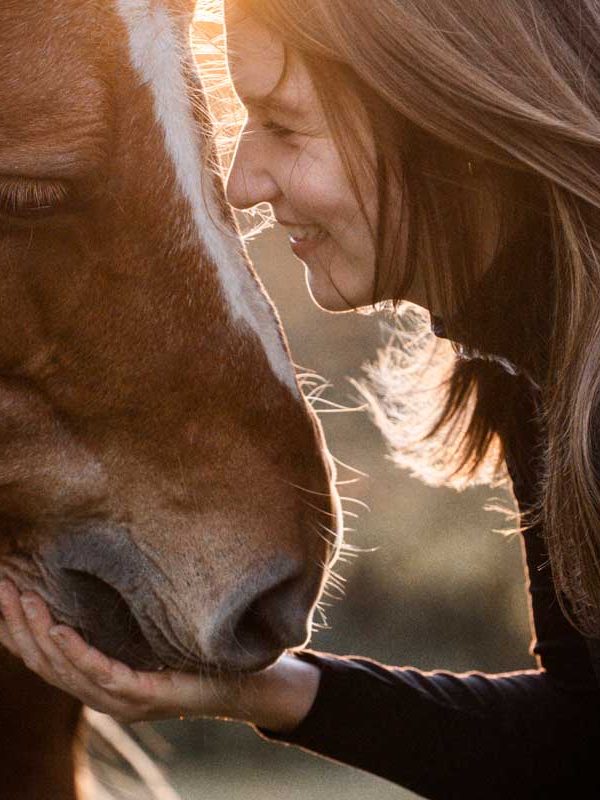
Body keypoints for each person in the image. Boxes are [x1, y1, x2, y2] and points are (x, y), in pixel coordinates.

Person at [1, 0, 600, 796]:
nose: (243, 183)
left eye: (283, 127)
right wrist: (270, 694)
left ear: (442, 117)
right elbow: (584, 739)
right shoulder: (537, 371)